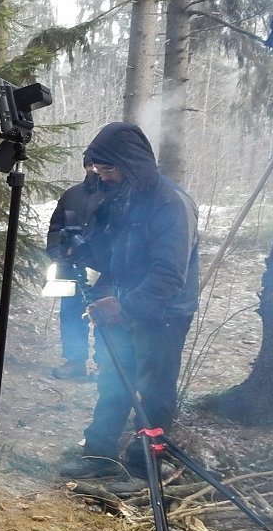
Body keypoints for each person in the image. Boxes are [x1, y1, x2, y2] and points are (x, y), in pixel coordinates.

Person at [58, 122, 199, 480]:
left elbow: (168, 275)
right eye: (98, 170)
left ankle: (142, 467)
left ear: (131, 163)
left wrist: (123, 306)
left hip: (162, 313)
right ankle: (99, 456)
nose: (103, 177)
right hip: (121, 306)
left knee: (154, 391)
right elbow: (114, 255)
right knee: (113, 380)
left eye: (108, 169)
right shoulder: (121, 197)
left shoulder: (171, 204)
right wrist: (84, 249)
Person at [45, 167, 104, 379]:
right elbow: (56, 226)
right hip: (69, 263)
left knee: (103, 313)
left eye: (99, 164)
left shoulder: (116, 194)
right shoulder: (72, 194)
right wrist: (55, 252)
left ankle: (104, 366)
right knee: (70, 313)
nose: (94, 168)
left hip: (103, 267)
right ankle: (74, 361)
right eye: (91, 164)